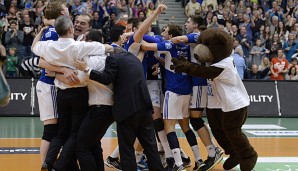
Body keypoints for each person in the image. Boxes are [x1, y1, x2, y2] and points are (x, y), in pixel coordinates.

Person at [32, 15, 113, 171]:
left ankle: (48, 162)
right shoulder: (78, 46)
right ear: (70, 29)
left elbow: (34, 47)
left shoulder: (48, 45)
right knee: (75, 133)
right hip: (78, 93)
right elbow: (106, 48)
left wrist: (41, 32)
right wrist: (115, 47)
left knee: (61, 132)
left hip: (61, 93)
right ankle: (59, 165)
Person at [75, 48, 164, 171]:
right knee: (151, 147)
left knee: (126, 149)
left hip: (127, 110)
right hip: (145, 107)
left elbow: (106, 78)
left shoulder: (113, 59)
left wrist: (86, 69)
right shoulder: (135, 59)